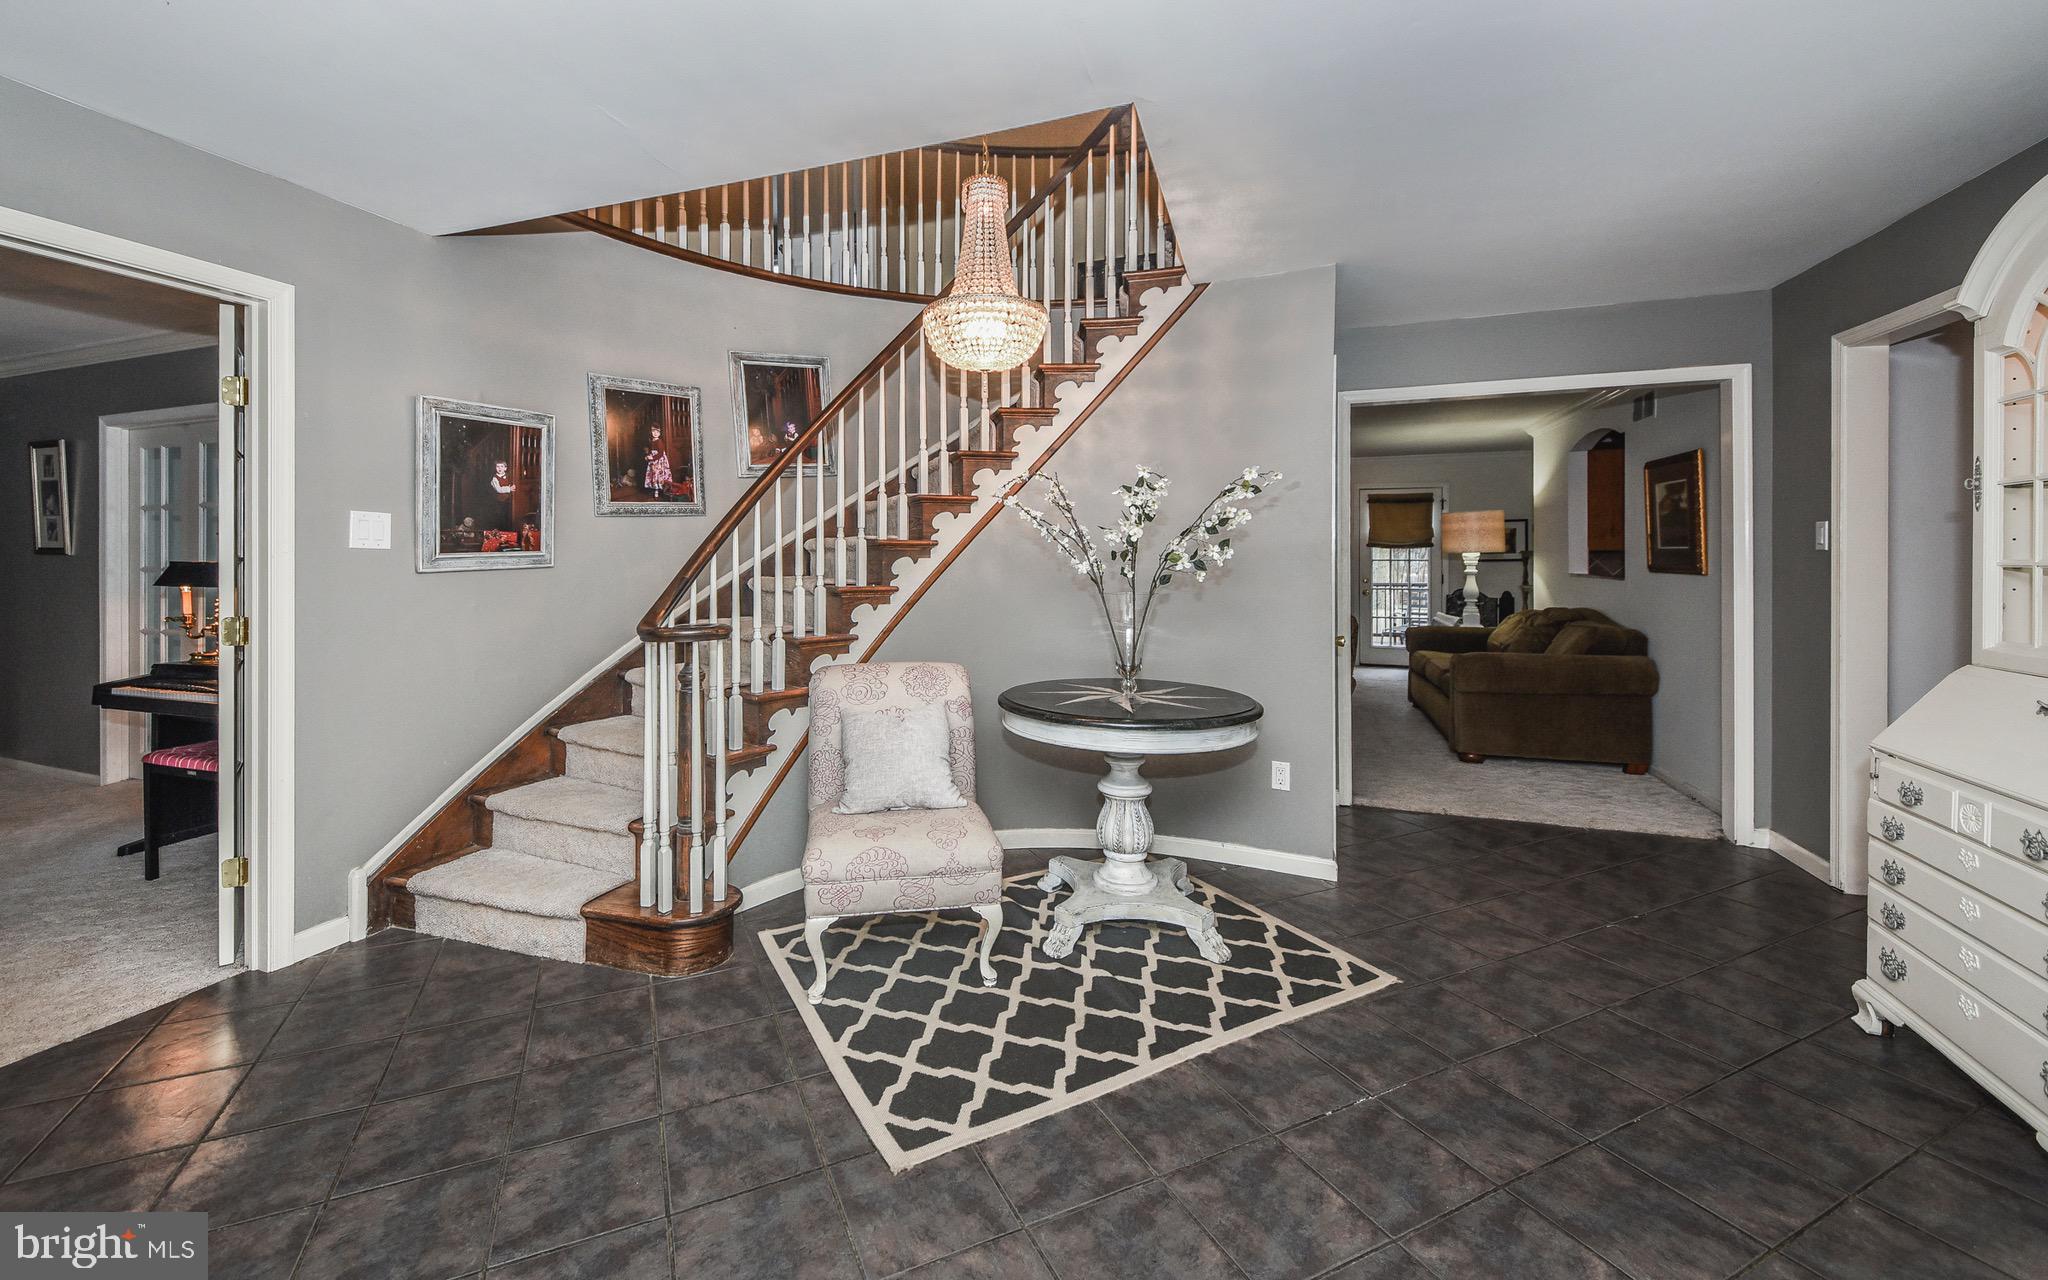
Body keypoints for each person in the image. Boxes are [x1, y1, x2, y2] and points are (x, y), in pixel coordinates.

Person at [643, 424, 674, 498]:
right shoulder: (652, 441)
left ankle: (659, 490)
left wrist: (652, 458)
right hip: (653, 460)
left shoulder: (659, 441)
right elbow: (651, 450)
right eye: (653, 431)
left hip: (659, 461)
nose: (655, 433)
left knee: (658, 474)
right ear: (651, 432)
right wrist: (648, 456)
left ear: (660, 433)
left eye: (657, 431)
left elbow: (660, 453)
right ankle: (655, 489)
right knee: (653, 474)